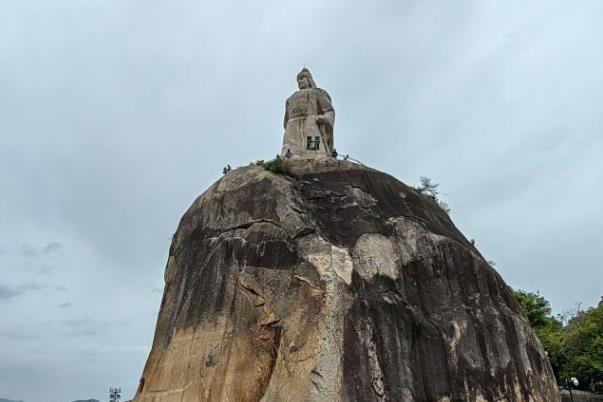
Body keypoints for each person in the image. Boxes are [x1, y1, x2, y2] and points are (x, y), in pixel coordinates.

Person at [281, 68, 335, 158]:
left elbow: (329, 111)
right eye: (298, 79)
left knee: (313, 154)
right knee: (288, 155)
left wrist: (324, 118)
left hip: (311, 125)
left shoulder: (317, 93)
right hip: (292, 129)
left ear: (309, 79)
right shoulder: (290, 99)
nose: (299, 81)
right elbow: (286, 120)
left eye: (302, 78)